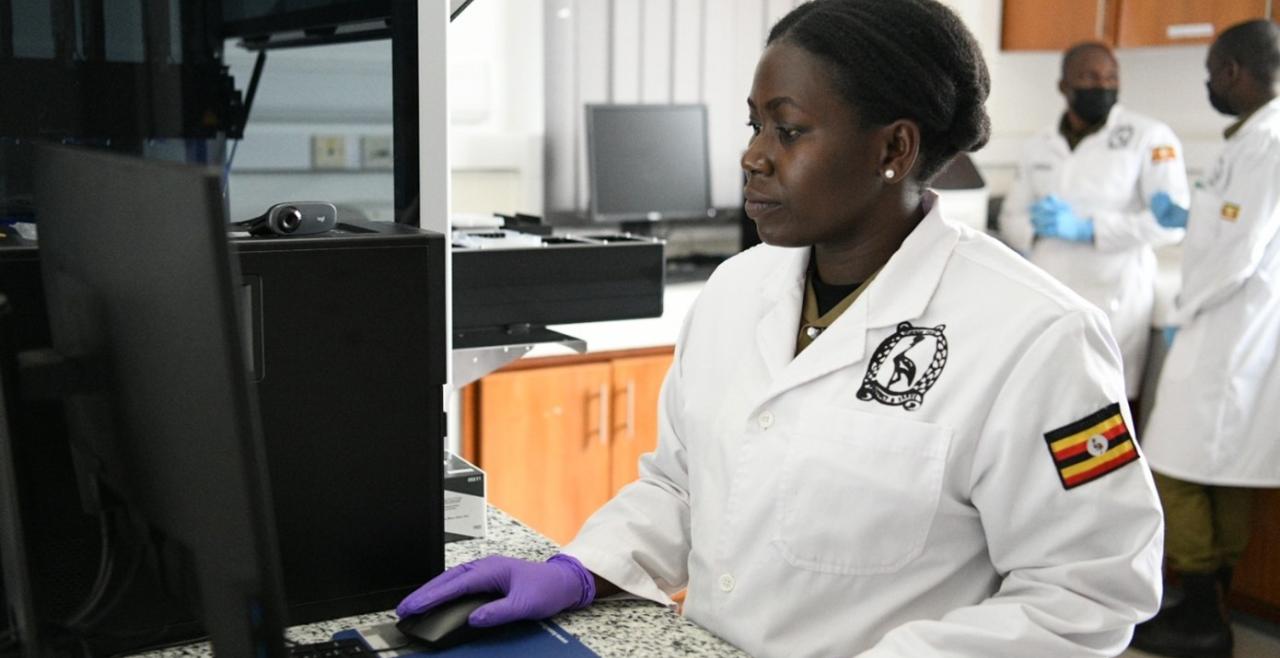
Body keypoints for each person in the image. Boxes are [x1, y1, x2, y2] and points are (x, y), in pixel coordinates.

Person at [398, 2, 1165, 656]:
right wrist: (579, 570)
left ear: (893, 148)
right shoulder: (738, 290)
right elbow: (680, 486)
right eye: (754, 124)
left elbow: (1087, 592)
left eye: (789, 131)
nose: (753, 156)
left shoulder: (1036, 336)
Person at [1130, 19, 1280, 658]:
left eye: (1212, 70)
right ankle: (1205, 603)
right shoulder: (1255, 139)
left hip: (1227, 328)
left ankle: (1200, 614)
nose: (1209, 83)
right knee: (1218, 471)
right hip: (1235, 328)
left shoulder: (1265, 143)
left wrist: (1186, 304)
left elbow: (1238, 253)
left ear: (1233, 71)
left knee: (1173, 465)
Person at [999, 42, 1189, 407]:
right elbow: (1011, 217)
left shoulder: (1149, 137)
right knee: (1045, 402)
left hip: (1115, 294)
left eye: (1111, 77)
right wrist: (1036, 228)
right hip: (1049, 289)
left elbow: (1169, 224)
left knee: (1106, 402)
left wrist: (1091, 229)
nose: (1102, 84)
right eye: (1089, 76)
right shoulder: (1039, 145)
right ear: (1064, 86)